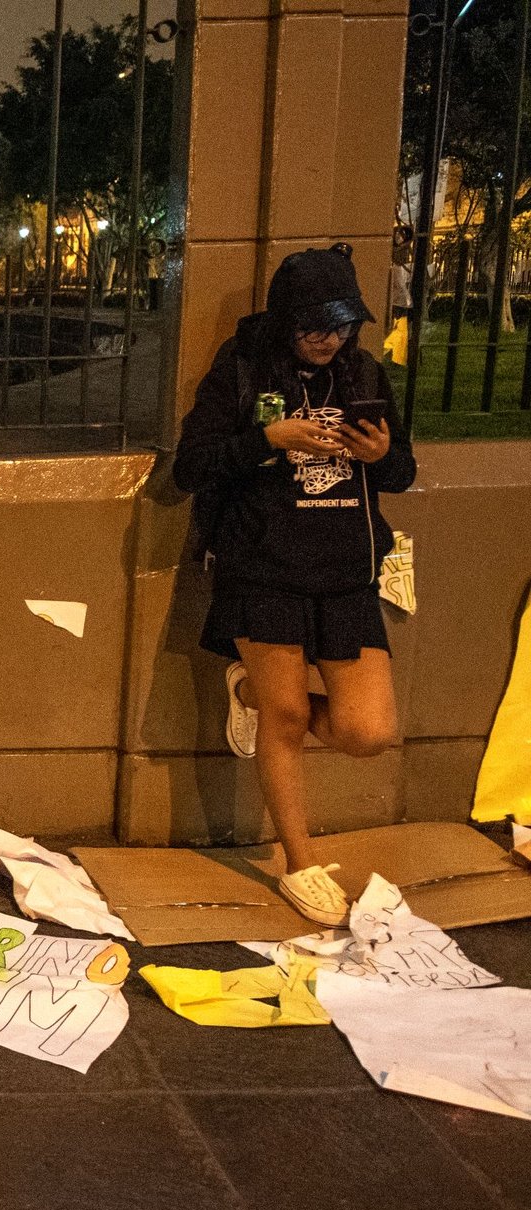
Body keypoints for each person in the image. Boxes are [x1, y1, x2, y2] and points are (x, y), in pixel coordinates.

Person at [173, 244, 416, 926]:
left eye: (340, 326)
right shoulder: (244, 368)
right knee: (285, 719)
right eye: (314, 326)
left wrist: (380, 456)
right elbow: (191, 467)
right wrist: (269, 437)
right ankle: (299, 862)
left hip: (344, 572)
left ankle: (247, 687)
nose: (328, 339)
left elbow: (402, 469)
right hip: (263, 564)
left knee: (367, 730)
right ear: (285, 321)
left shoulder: (362, 371)